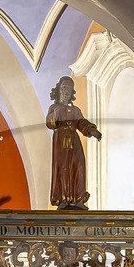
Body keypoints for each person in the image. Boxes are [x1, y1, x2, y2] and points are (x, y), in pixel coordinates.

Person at [47, 74, 103, 208]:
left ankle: (78, 199)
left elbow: (81, 123)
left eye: (70, 88)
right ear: (59, 90)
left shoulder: (75, 110)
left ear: (72, 92)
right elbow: (50, 123)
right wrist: (57, 112)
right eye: (64, 87)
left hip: (74, 140)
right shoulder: (54, 108)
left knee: (79, 167)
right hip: (60, 142)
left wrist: (92, 130)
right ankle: (63, 199)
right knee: (63, 168)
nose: (67, 90)